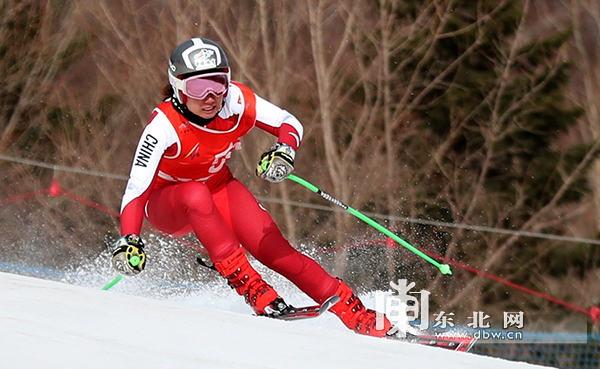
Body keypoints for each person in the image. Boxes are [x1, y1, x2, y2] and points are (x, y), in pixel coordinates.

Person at [112, 37, 393, 338]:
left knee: (276, 250)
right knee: (194, 192)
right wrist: (130, 237)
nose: (210, 97)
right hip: (167, 204)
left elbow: (289, 122)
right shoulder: (163, 125)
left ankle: (356, 314)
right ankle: (254, 289)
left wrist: (284, 150)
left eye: (218, 84)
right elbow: (137, 187)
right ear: (178, 87)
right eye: (197, 88)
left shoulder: (236, 101)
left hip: (218, 188)